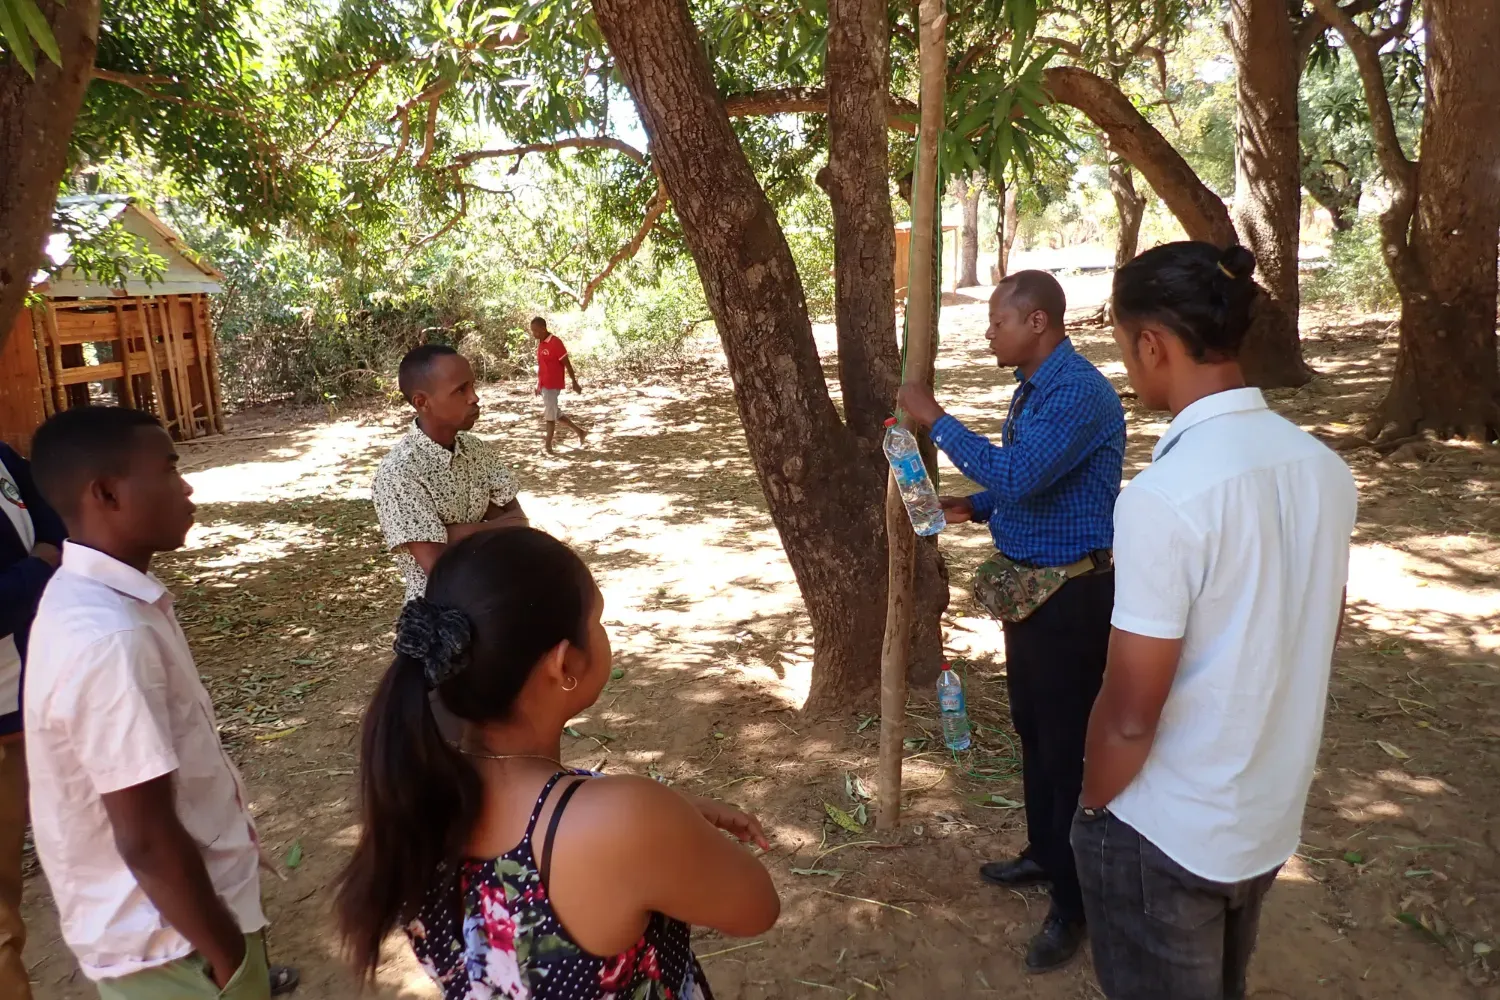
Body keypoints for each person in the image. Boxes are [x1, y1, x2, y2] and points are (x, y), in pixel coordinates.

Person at [1073, 243, 1356, 999]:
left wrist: (1094, 803)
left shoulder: (1164, 497)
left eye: (1125, 348)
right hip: (1265, 815)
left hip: (1165, 829)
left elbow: (1131, 715)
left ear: (1152, 344)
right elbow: (1318, 637)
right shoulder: (1323, 469)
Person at [335, 527, 780, 999]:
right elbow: (757, 908)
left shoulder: (416, 789)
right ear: (563, 664)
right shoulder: (627, 820)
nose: (604, 635)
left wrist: (672, 813)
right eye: (598, 621)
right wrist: (672, 823)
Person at [24, 406, 298, 999]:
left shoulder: (106, 602)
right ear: (106, 494)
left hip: (182, 931)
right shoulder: (107, 637)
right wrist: (230, 961)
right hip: (173, 949)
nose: (187, 483)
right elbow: (145, 838)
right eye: (169, 469)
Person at [897, 270, 1126, 973]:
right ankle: (1043, 852)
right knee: (1034, 727)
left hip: (1071, 597)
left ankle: (1074, 902)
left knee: (1065, 746)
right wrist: (981, 506)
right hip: (1033, 592)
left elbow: (1024, 473)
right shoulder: (1037, 386)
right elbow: (1035, 482)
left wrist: (935, 418)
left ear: (1037, 321)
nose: (988, 333)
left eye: (997, 323)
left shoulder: (1077, 390)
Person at [373, 344, 529, 602]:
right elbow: (437, 567)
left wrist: (451, 533)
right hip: (440, 619)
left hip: (497, 599)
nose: (474, 397)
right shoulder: (399, 473)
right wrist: (494, 525)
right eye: (461, 390)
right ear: (422, 403)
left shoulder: (476, 450)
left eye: (472, 386)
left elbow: (520, 523)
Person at [0, 441, 66, 1000]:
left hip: (31, 690)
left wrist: (43, 556)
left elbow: (53, 522)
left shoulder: (3, 457)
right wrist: (39, 565)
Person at [530, 317, 587, 454]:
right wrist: (539, 384)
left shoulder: (556, 343)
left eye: (536, 331)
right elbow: (542, 366)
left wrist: (574, 381)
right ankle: (580, 432)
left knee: (550, 416)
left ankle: (548, 447)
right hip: (545, 384)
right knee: (554, 412)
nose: (534, 334)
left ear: (543, 329)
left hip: (553, 384)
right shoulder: (541, 343)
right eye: (532, 331)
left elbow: (567, 363)